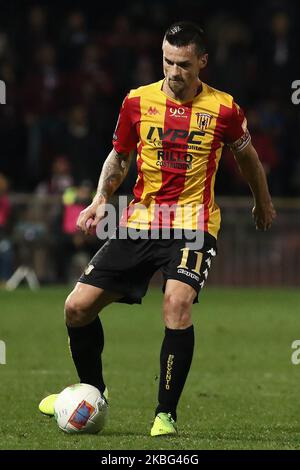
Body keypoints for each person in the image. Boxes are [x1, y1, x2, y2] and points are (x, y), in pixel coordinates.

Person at [39, 21, 276, 436]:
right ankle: (92, 393)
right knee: (76, 308)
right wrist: (99, 199)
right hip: (142, 221)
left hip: (194, 223)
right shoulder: (137, 101)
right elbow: (119, 157)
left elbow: (249, 158)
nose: (174, 71)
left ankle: (165, 413)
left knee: (176, 303)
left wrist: (263, 201)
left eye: (184, 64)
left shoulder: (224, 109)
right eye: (167, 61)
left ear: (202, 61)